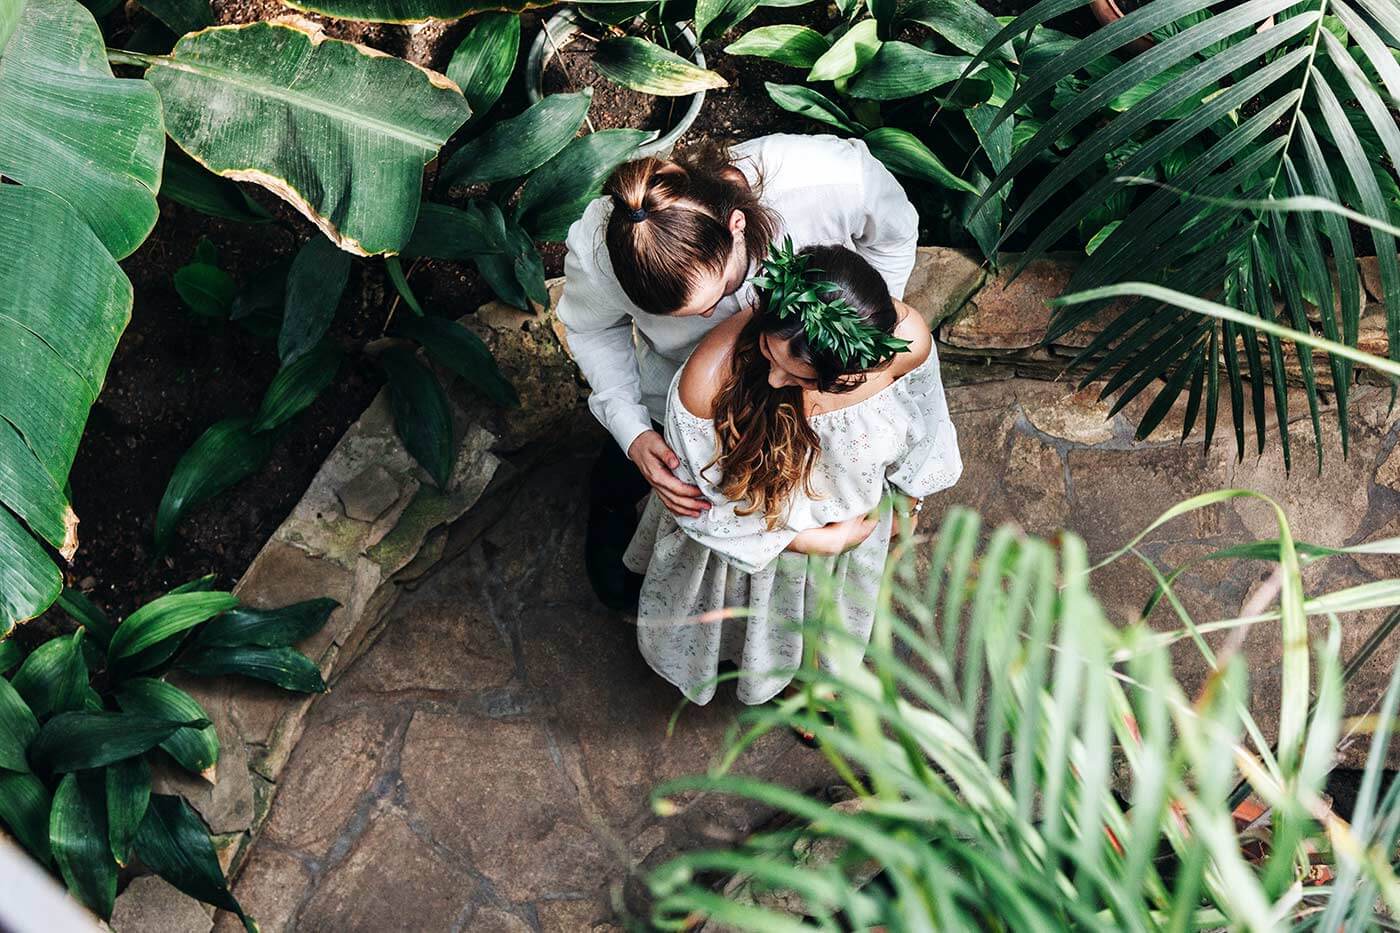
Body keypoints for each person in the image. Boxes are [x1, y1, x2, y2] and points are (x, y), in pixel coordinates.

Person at [555, 134, 921, 611]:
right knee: (634, 480)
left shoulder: (829, 179)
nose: (711, 320)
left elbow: (895, 233)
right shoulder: (604, 247)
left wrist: (844, 339)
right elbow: (590, 329)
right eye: (684, 316)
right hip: (675, 394)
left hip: (813, 377)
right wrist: (631, 432)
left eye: (721, 290)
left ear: (737, 225)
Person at [622, 242, 962, 705]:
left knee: (824, 623)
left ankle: (810, 685)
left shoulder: (905, 345)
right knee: (752, 621)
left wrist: (909, 500)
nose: (777, 380)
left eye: (805, 379)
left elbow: (925, 423)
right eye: (770, 350)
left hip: (850, 521)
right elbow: (698, 506)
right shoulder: (705, 385)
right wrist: (803, 542)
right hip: (755, 535)